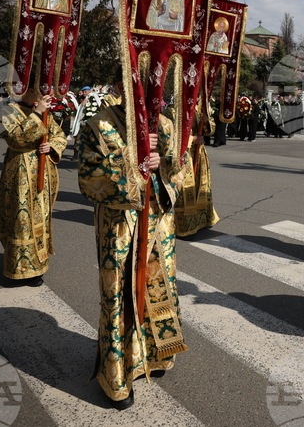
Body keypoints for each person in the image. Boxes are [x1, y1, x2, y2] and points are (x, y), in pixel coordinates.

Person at [77, 73, 187, 410]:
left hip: (158, 226)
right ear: (121, 89)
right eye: (135, 90)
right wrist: (133, 165)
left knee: (158, 287)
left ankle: (154, 356)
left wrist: (164, 165)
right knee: (120, 293)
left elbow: (183, 170)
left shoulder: (167, 126)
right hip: (120, 226)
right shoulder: (99, 125)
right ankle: (118, 375)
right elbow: (88, 177)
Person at [0, 88, 67, 285]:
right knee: (21, 220)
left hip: (42, 174)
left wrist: (51, 146)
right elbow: (16, 139)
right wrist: (37, 114)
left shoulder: (45, 112)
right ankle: (18, 267)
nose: (40, 95)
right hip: (20, 173)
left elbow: (59, 135)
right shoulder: (6, 111)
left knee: (40, 219)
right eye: (36, 91)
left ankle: (37, 266)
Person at [175, 102, 220, 236]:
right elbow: (171, 136)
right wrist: (192, 139)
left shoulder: (198, 110)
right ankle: (185, 224)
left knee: (201, 187)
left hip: (199, 154)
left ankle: (202, 220)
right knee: (185, 191)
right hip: (184, 155)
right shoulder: (174, 111)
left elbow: (210, 131)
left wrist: (206, 118)